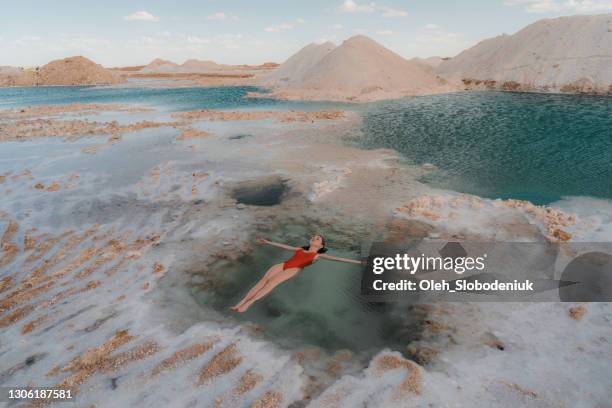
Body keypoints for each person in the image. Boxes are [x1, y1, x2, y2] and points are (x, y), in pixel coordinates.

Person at [230, 234, 361, 312]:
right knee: (262, 281)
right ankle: (240, 303)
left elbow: (338, 259)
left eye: (317, 238)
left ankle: (248, 303)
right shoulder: (300, 249)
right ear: (310, 242)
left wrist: (359, 263)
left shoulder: (317, 256)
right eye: (313, 237)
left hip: (294, 269)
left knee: (271, 284)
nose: (314, 238)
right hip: (283, 265)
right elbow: (283, 246)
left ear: (321, 245)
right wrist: (267, 242)